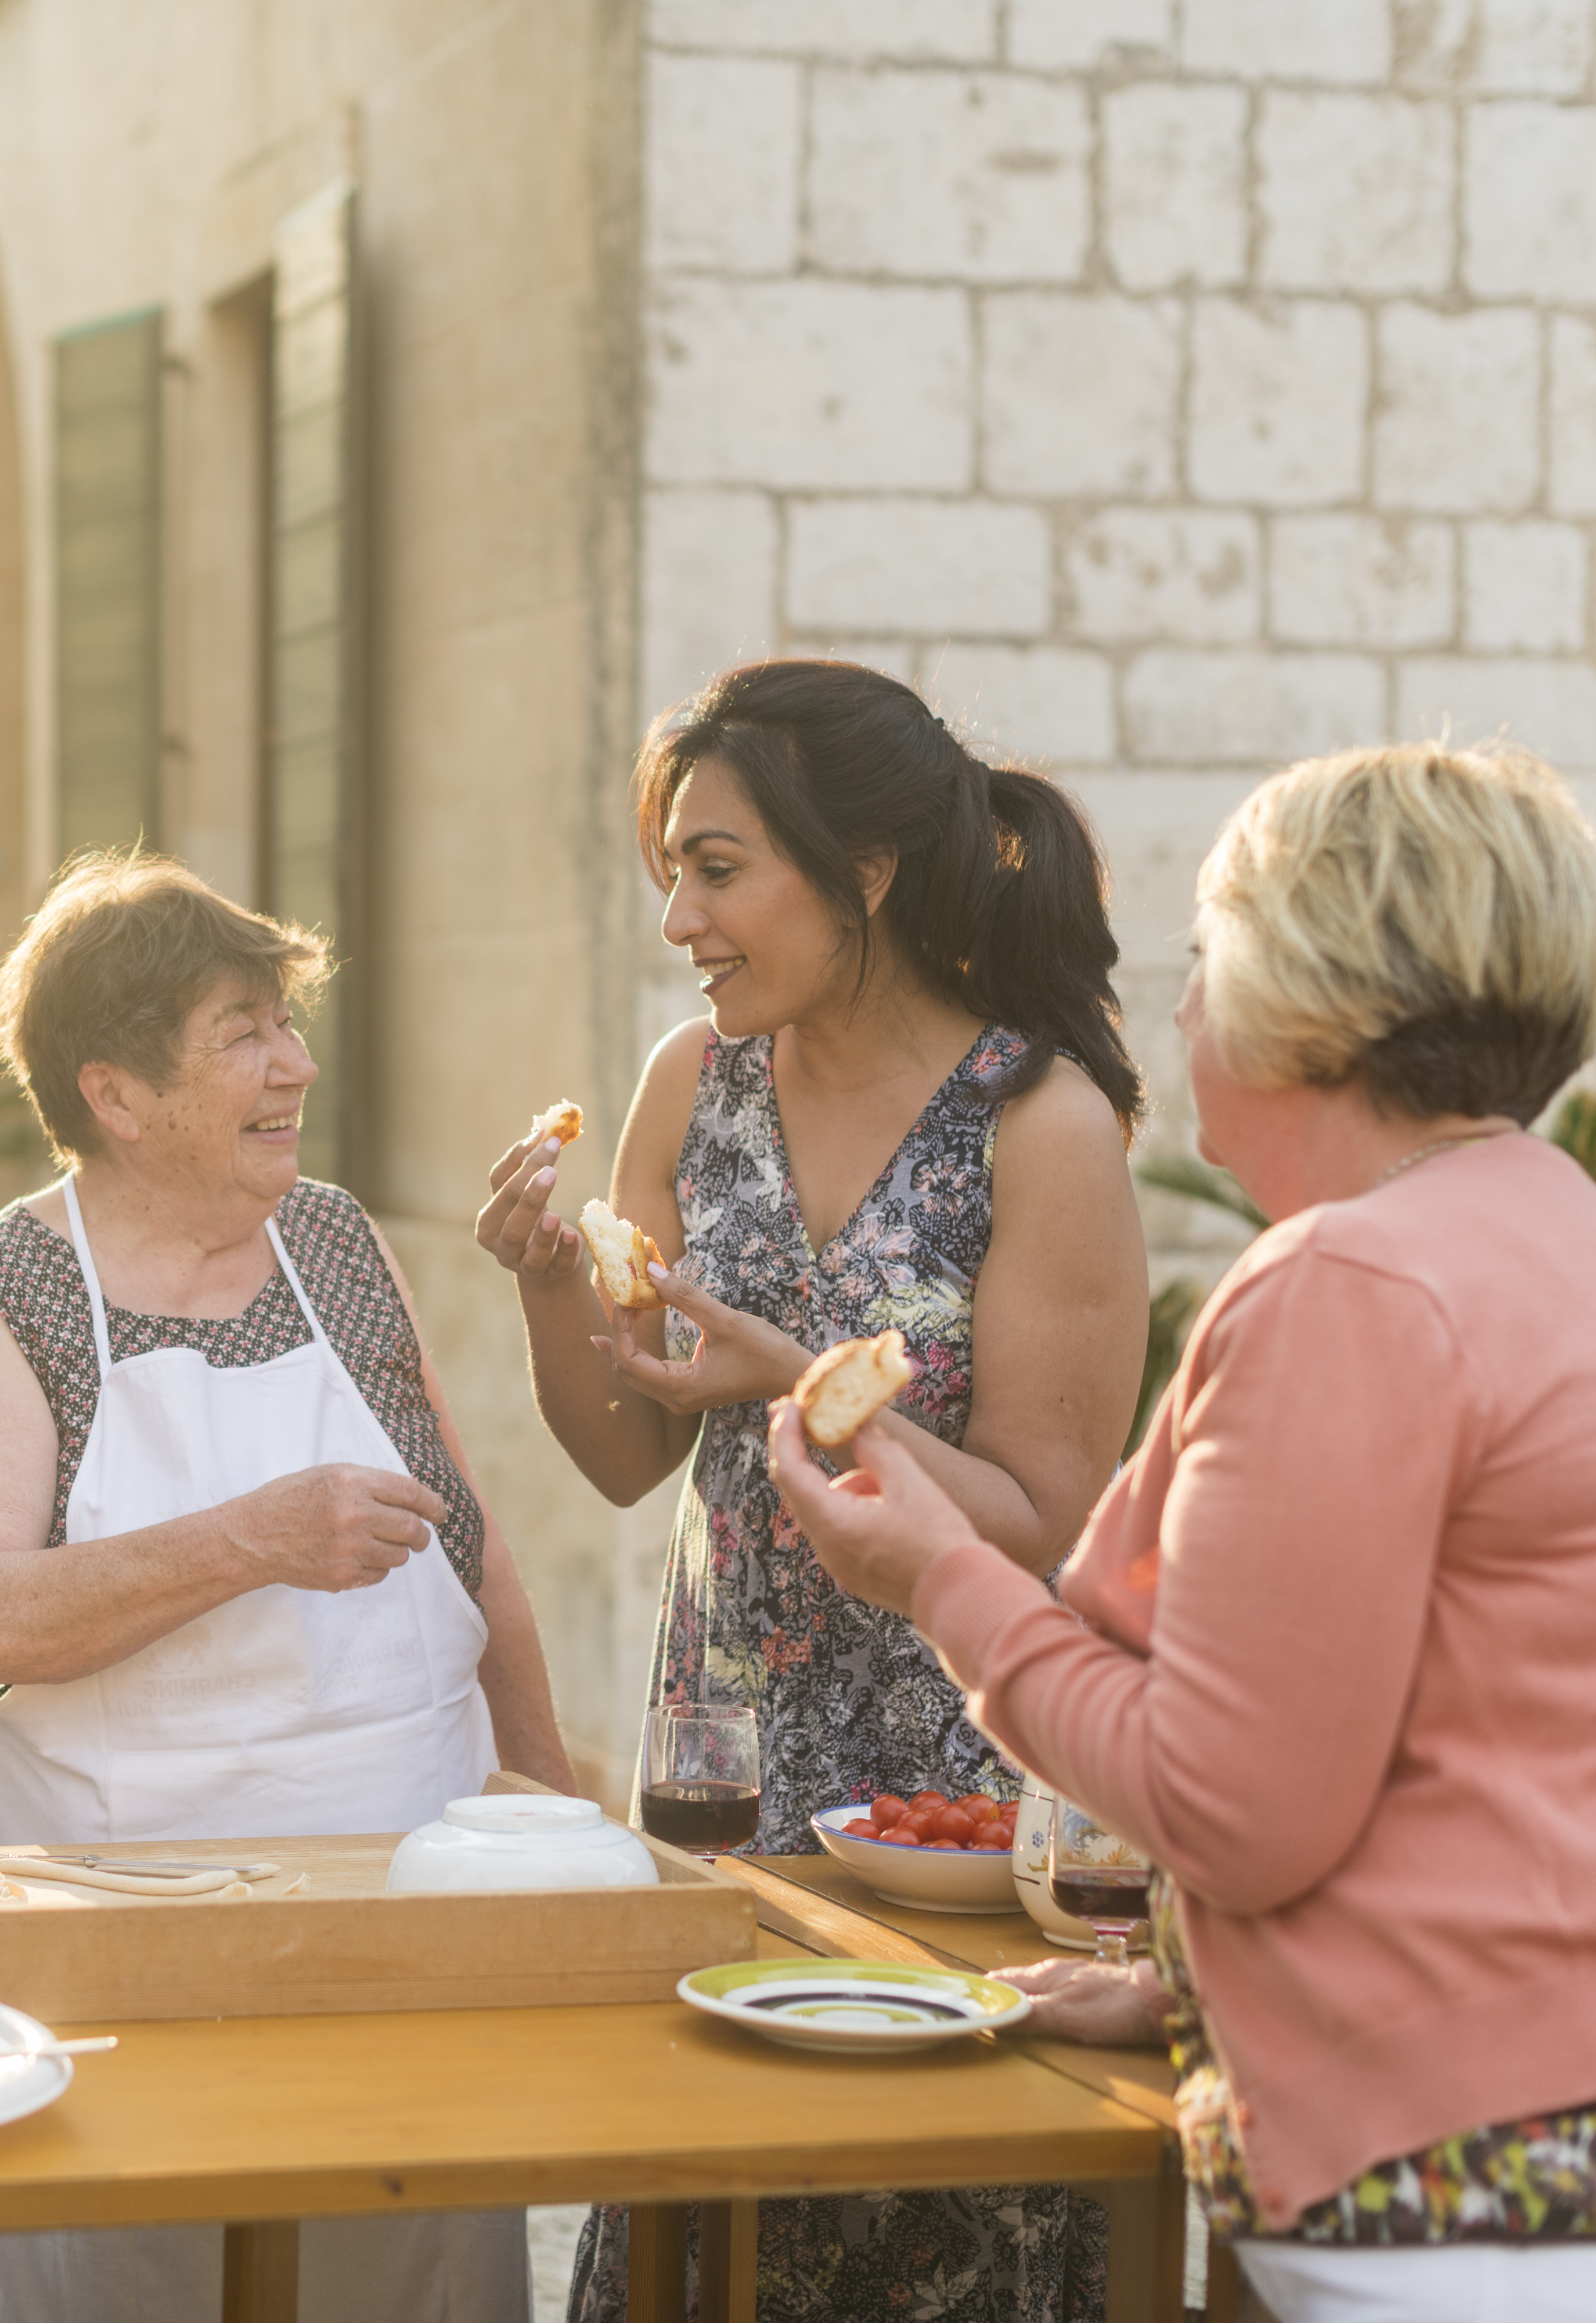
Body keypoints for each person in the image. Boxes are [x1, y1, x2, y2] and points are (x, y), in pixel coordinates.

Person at [775, 741, 1596, 2323]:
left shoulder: (1348, 1287)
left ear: (1297, 991)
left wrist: (939, 1577)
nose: (1177, 1005)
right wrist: (1197, 1995)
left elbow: (1233, 1808)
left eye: (1206, 952)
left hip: (1519, 2205)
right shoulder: (1577, 1244)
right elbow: (1508, 1758)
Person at [474, 659, 1148, 2320]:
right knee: (708, 2233)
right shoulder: (689, 1087)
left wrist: (790, 1372)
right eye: (669, 876)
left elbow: (1051, 1516)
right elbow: (628, 1454)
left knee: (927, 2223)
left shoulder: (1042, 1123)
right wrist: (552, 1284)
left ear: (865, 871)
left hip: (950, 1806)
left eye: (717, 870)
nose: (679, 921)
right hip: (722, 1780)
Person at [0, 853, 572, 2321]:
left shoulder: (332, 1239)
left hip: (406, 1911)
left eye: (287, 1021)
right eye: (245, 1035)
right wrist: (248, 1540)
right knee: (140, 2260)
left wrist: (558, 1816)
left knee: (406, 2255)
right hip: (126, 1938)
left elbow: (471, 1542)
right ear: (117, 1095)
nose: (299, 1064)